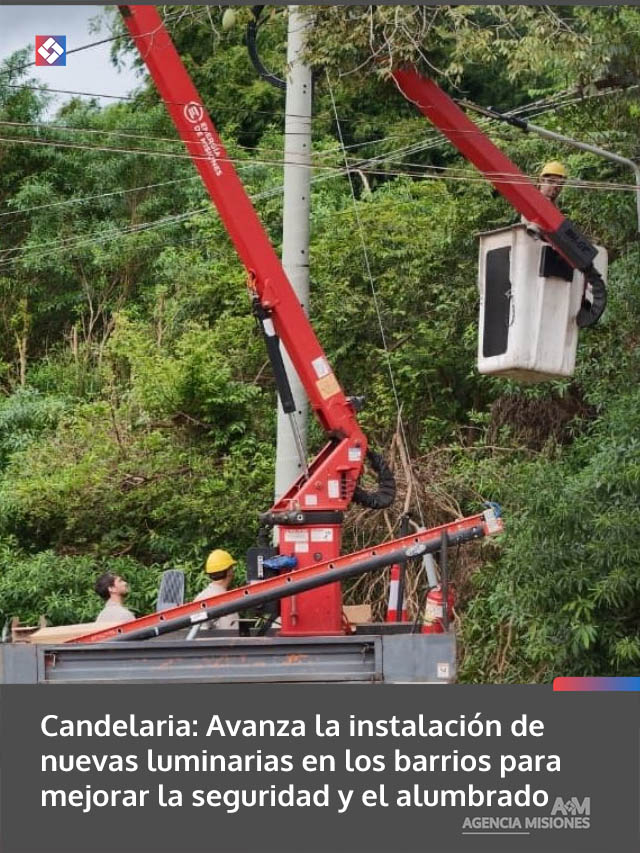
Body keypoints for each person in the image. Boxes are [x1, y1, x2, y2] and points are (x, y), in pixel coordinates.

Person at [194, 549, 238, 630]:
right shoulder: (227, 601)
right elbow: (231, 633)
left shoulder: (200, 598)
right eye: (232, 568)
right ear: (229, 572)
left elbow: (197, 632)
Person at [523, 160, 568, 239]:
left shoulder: (555, 208)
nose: (555, 186)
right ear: (541, 180)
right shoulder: (533, 201)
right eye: (551, 181)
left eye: (560, 184)